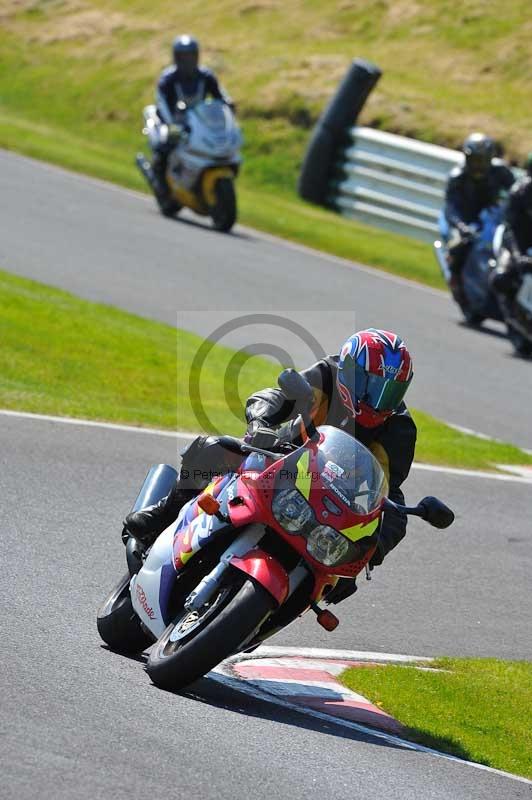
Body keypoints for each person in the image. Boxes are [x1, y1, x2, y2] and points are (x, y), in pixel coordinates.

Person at [124, 329, 417, 602]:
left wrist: (365, 556)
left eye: (390, 392)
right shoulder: (329, 373)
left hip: (331, 499)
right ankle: (162, 515)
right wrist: (260, 421)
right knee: (214, 448)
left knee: (367, 540)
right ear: (350, 372)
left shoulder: (399, 430)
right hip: (284, 456)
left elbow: (389, 494)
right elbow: (279, 396)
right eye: (372, 387)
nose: (379, 402)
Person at [151, 35, 233, 198]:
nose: (187, 61)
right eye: (183, 57)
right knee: (165, 144)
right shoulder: (168, 78)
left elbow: (219, 95)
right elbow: (162, 102)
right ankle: (160, 183)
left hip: (198, 119)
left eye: (190, 56)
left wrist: (227, 103)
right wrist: (170, 123)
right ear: (176, 57)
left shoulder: (205, 76)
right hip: (173, 120)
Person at [443, 132, 515, 303]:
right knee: (459, 245)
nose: (479, 165)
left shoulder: (501, 172)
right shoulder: (457, 177)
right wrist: (461, 226)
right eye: (475, 159)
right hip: (464, 219)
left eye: (483, 160)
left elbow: (515, 194)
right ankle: (456, 282)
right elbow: (450, 207)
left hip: (491, 216)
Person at [490, 154, 532, 307]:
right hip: (516, 241)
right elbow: (509, 228)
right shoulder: (519, 192)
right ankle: (507, 308)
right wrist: (517, 255)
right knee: (501, 277)